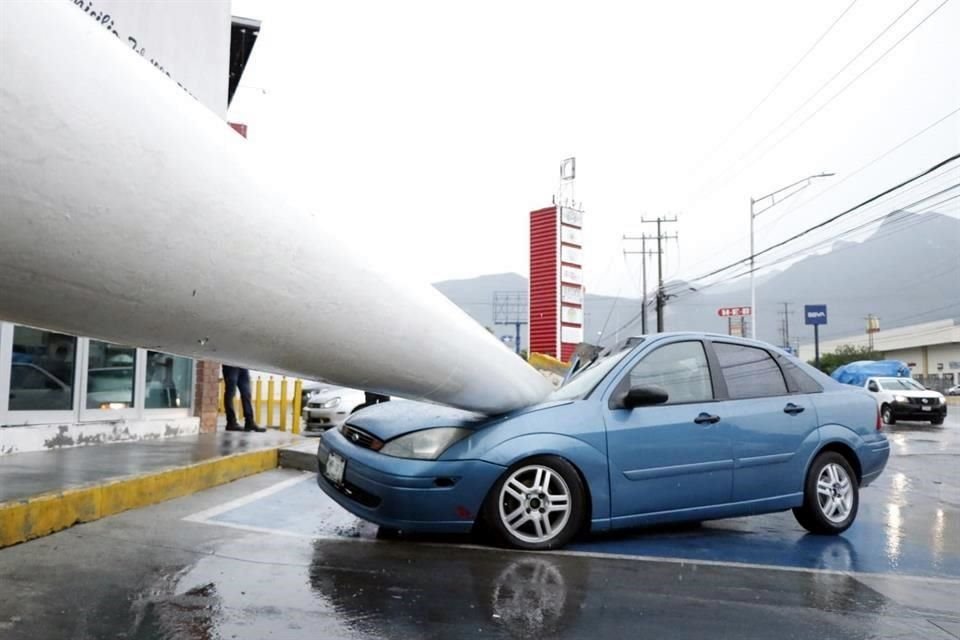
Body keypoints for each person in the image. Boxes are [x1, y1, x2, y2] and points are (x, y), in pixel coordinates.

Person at [222, 365, 265, 432]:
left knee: (246, 393)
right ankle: (231, 422)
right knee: (230, 393)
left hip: (243, 365)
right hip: (230, 365)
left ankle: (249, 422)